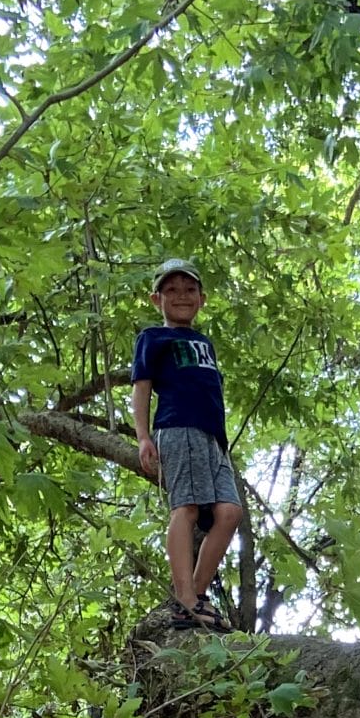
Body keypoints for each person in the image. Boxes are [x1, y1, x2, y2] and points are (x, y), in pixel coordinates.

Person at [132, 258, 241, 629]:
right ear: (156, 299)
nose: (181, 296)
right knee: (188, 507)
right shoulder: (154, 338)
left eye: (189, 289)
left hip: (212, 438)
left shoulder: (203, 342)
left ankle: (193, 595)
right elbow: (142, 387)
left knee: (229, 513)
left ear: (202, 299)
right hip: (178, 428)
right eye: (171, 290)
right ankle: (186, 596)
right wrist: (143, 436)